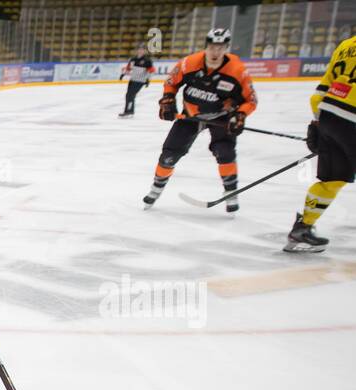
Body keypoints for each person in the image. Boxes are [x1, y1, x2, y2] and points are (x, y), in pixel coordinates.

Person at [143, 28, 257, 213]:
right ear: (206, 46)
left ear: (227, 48)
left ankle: (231, 193)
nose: (215, 52)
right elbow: (171, 82)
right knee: (169, 154)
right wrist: (168, 101)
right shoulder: (189, 63)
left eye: (220, 48)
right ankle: (156, 189)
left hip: (220, 117)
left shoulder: (238, 71)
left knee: (224, 152)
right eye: (212, 47)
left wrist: (240, 115)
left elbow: (250, 100)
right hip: (190, 116)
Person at [285, 30, 356, 251]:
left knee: (332, 179)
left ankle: (302, 229)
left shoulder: (346, 46)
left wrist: (318, 123)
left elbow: (321, 90)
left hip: (328, 115)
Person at [119, 43, 155, 117]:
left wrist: (148, 80)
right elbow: (128, 68)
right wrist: (123, 74)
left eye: (142, 49)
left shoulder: (147, 60)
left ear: (145, 51)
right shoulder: (133, 59)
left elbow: (152, 71)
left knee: (130, 95)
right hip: (132, 80)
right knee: (128, 95)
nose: (140, 51)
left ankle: (129, 111)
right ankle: (129, 111)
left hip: (140, 81)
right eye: (139, 49)